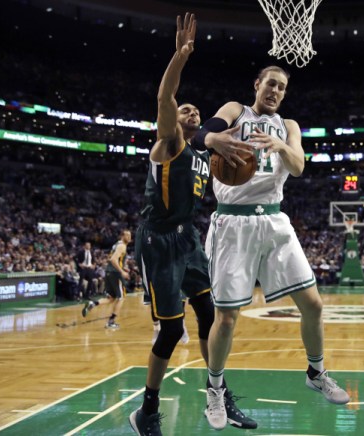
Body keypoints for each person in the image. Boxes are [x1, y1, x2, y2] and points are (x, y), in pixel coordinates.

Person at [195, 65, 351, 430]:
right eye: (270, 84)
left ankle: (316, 372)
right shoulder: (236, 110)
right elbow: (202, 133)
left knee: (313, 304)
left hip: (275, 221)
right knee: (228, 317)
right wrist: (212, 141)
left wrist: (280, 144)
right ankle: (215, 390)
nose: (275, 91)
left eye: (281, 88)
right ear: (257, 85)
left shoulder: (290, 126)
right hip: (233, 223)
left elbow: (297, 167)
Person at [128, 14, 256, 435]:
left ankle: (218, 396)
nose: (191, 110)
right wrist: (180, 57)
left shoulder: (205, 156)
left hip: (189, 241)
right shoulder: (168, 142)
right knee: (171, 331)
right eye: (186, 109)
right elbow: (165, 96)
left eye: (195, 109)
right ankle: (146, 411)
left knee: (209, 313)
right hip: (159, 241)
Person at [82, 229, 131, 329]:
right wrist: (122, 272)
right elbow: (113, 259)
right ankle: (111, 322)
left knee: (111, 298)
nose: (130, 237)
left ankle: (93, 303)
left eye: (130, 236)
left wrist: (122, 267)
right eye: (127, 235)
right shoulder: (122, 246)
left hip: (109, 272)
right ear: (122, 236)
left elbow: (112, 259)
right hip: (115, 274)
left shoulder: (115, 244)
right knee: (121, 297)